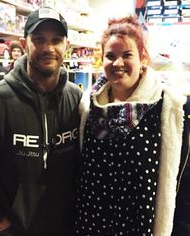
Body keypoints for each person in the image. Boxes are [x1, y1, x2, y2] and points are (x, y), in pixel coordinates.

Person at [0, 7, 82, 236]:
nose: (48, 48)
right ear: (24, 45)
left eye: (56, 40)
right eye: (39, 39)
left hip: (64, 227)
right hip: (11, 230)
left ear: (67, 46)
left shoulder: (77, 98)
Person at [75, 15, 190, 235]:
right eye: (110, 56)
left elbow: (179, 182)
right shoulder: (88, 107)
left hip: (137, 225)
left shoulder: (166, 106)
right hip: (90, 222)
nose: (118, 63)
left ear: (142, 57)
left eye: (127, 55)